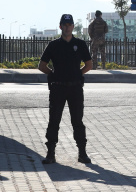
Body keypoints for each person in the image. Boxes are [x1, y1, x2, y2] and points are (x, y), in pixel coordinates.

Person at [38, 14, 93, 164]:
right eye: (65, 24)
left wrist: (77, 73)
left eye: (70, 24)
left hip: (75, 88)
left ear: (73, 26)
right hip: (58, 89)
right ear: (60, 26)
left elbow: (89, 65)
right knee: (54, 120)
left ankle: (82, 153)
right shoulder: (53, 45)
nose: (67, 27)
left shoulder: (80, 44)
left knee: (77, 121)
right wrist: (53, 75)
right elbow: (42, 66)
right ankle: (50, 154)